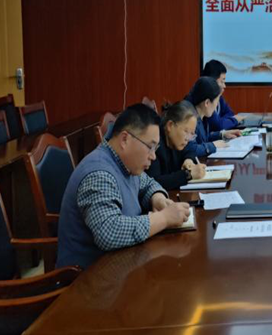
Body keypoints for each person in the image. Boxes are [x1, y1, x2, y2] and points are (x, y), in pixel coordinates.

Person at [57, 104, 190, 269]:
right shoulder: (98, 174)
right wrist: (163, 218)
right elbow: (109, 232)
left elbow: (147, 183)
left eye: (156, 148)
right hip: (88, 276)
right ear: (125, 139)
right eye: (150, 147)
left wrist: (158, 198)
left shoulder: (127, 163)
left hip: (121, 264)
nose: (153, 156)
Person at [147, 100, 207, 190]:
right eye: (186, 131)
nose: (187, 138)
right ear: (170, 125)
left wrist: (188, 160)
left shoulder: (179, 141)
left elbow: (190, 150)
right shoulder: (155, 142)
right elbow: (155, 182)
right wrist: (188, 174)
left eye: (191, 134)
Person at [183, 76, 226, 158]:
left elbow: (203, 138)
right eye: (217, 101)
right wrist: (213, 145)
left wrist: (222, 134)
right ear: (207, 103)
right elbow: (191, 149)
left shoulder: (201, 116)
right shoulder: (190, 118)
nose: (216, 105)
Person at [199, 59, 242, 141]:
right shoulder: (204, 99)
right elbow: (218, 126)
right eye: (222, 81)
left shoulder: (218, 97)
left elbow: (230, 113)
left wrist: (222, 122)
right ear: (212, 81)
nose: (224, 86)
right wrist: (235, 120)